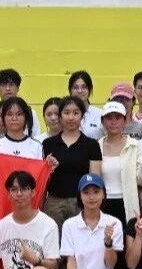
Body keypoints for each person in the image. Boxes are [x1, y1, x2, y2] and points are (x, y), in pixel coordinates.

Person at [96, 101, 142, 269]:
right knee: (106, 245)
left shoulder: (135, 146)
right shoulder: (96, 146)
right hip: (103, 204)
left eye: (118, 118)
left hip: (128, 203)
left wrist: (131, 171)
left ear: (125, 121)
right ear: (103, 122)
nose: (113, 122)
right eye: (109, 118)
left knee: (127, 246)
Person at [42, 96, 102, 228]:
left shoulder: (92, 145)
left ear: (82, 116)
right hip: (54, 203)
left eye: (75, 113)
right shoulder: (48, 144)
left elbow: (94, 178)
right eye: (66, 112)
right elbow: (43, 179)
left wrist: (91, 203)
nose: (71, 117)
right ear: (60, 116)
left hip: (81, 203)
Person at [0, 69, 41, 136]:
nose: (8, 88)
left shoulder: (30, 113)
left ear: (18, 88)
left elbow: (36, 137)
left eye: (11, 85)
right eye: (3, 85)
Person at [69, 71, 103, 139]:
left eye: (84, 87)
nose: (80, 91)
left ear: (90, 89)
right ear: (70, 90)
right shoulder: (64, 114)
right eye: (75, 87)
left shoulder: (100, 114)